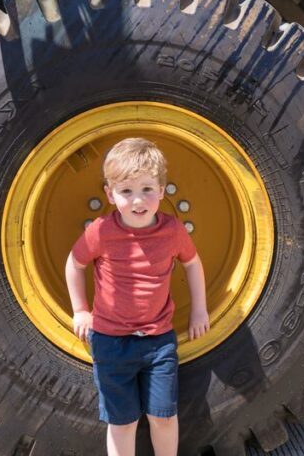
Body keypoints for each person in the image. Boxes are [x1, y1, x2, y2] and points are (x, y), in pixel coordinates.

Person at [65, 137, 209, 456]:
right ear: (110, 194)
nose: (137, 200)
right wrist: (80, 310)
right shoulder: (100, 231)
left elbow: (193, 264)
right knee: (122, 422)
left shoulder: (172, 231)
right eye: (126, 191)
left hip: (158, 342)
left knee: (164, 417)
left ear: (161, 190)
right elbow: (74, 264)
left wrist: (200, 310)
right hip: (110, 342)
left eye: (146, 189)